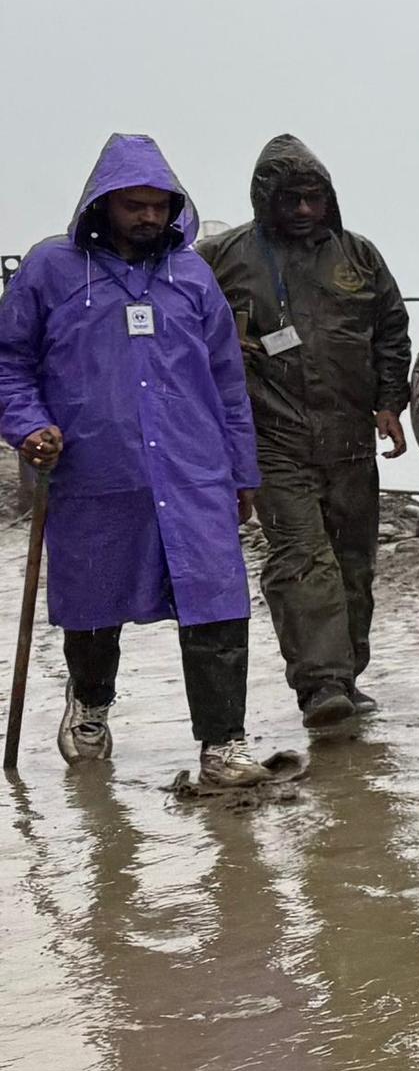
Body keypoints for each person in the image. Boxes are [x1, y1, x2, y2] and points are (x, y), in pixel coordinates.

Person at [0, 136, 276, 788]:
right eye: (134, 205)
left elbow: (226, 380)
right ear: (102, 204)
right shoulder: (50, 270)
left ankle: (223, 745)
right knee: (95, 603)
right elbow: (10, 364)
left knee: (216, 602)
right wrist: (28, 427)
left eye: (159, 206)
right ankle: (91, 705)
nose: (149, 218)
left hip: (193, 473)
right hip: (95, 474)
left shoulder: (193, 277)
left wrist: (242, 471)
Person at [203, 135, 409, 732]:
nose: (301, 210)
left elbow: (391, 328)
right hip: (272, 437)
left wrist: (391, 401)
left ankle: (347, 674)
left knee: (353, 563)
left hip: (350, 436)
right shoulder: (223, 257)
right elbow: (180, 327)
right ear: (266, 198)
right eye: (289, 199)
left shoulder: (359, 255)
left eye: (312, 198)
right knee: (301, 558)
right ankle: (321, 684)